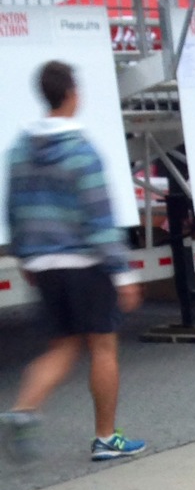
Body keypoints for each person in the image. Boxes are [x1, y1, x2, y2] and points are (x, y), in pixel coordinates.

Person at [0, 59, 146, 464]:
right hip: (86, 263)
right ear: (70, 94)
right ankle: (105, 438)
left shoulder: (19, 151)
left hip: (43, 264)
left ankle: (24, 409)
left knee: (62, 346)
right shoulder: (82, 152)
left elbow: (13, 210)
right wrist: (122, 274)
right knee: (103, 347)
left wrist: (25, 256)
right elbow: (99, 217)